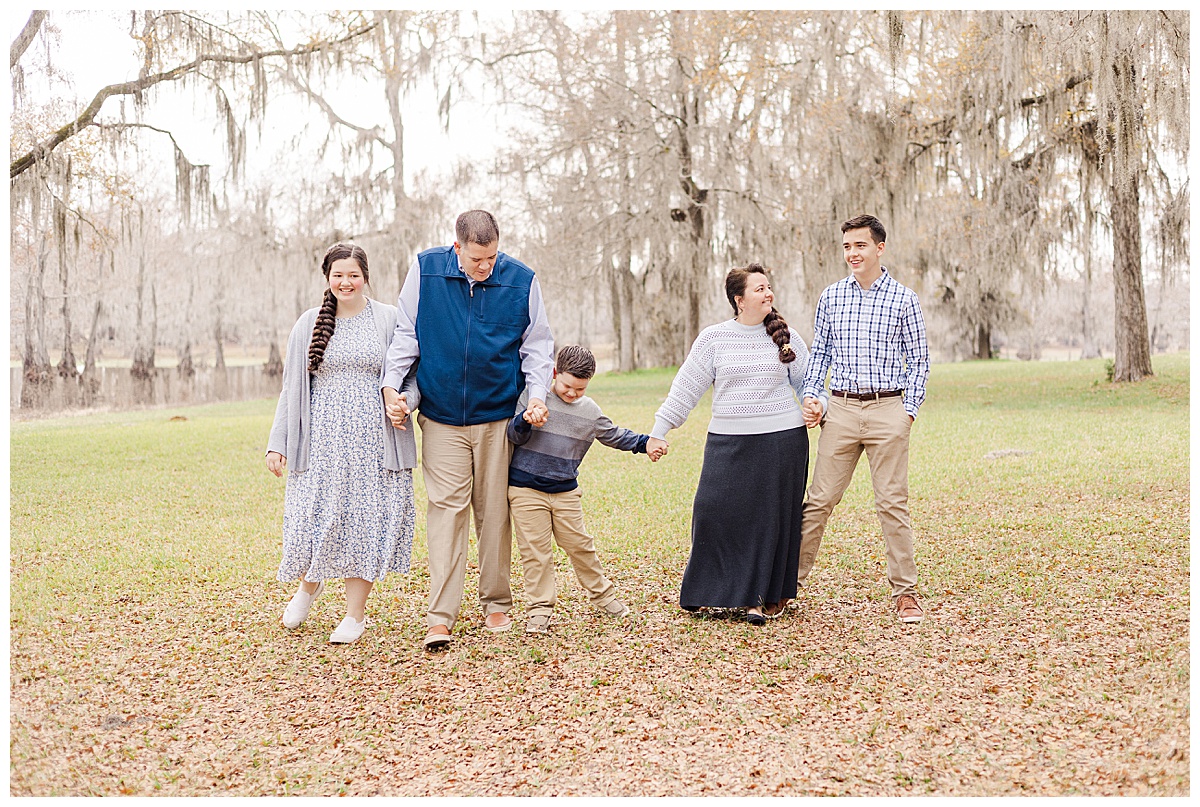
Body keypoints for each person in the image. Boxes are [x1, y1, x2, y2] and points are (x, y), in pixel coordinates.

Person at [380, 210, 555, 651]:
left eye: (492, 256)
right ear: (456, 248)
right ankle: (440, 617)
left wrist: (537, 396)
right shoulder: (424, 270)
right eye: (478, 258)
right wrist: (389, 386)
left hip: (498, 418)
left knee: (494, 513)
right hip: (440, 418)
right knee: (446, 514)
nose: (486, 266)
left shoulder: (521, 280)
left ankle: (496, 602)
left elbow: (537, 347)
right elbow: (406, 335)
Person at [266, 242, 420, 644]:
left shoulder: (388, 319)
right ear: (327, 278)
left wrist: (407, 403)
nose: (346, 282)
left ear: (365, 276)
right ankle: (309, 585)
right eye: (338, 275)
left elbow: (412, 377)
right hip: (321, 442)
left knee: (365, 522)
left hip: (376, 442)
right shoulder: (309, 323)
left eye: (353, 274)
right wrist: (277, 441)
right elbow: (291, 388)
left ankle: (355, 616)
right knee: (313, 517)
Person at [651, 264, 813, 625]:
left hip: (782, 441)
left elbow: (808, 383)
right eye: (759, 289)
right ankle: (706, 592)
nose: (768, 294)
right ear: (739, 300)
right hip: (728, 442)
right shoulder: (714, 339)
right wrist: (660, 429)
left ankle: (758, 599)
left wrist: (818, 404)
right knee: (712, 510)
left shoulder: (786, 337)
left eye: (769, 287)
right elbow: (686, 389)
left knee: (767, 521)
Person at [799, 214, 931, 623]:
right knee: (818, 501)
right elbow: (820, 353)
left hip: (888, 409)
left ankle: (905, 593)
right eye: (846, 247)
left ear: (879, 248)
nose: (852, 254)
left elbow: (920, 361)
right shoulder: (831, 297)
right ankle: (788, 585)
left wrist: (907, 412)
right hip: (839, 411)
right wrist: (812, 395)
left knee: (892, 504)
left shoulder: (904, 299)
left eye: (859, 245)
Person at [506, 345, 668, 634]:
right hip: (526, 491)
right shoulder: (534, 399)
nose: (572, 394)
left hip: (566, 492)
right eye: (567, 386)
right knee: (536, 553)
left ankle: (603, 596)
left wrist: (646, 443)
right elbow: (513, 435)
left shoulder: (589, 411)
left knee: (580, 545)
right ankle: (539, 610)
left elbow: (615, 435)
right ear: (555, 374)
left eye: (579, 389)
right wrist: (526, 420)